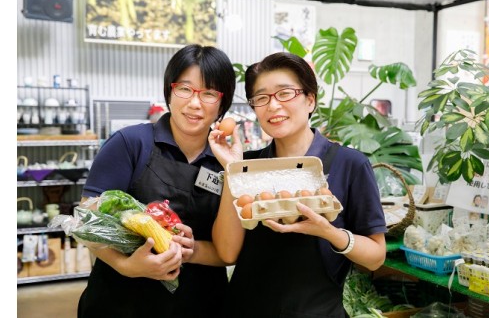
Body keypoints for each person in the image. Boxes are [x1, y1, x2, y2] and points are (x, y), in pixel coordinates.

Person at [209, 52, 387, 317]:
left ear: (310, 100)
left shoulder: (349, 164)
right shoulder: (248, 164)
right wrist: (233, 170)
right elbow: (226, 252)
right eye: (261, 98)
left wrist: (328, 232)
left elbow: (375, 255)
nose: (273, 106)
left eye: (285, 93)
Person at [77, 44, 236, 318]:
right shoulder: (131, 143)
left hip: (201, 303)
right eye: (185, 89)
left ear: (223, 103)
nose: (194, 103)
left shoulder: (227, 162)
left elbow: (228, 253)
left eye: (209, 93)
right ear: (170, 91)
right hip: (121, 301)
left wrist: (192, 249)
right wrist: (128, 266)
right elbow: (86, 221)